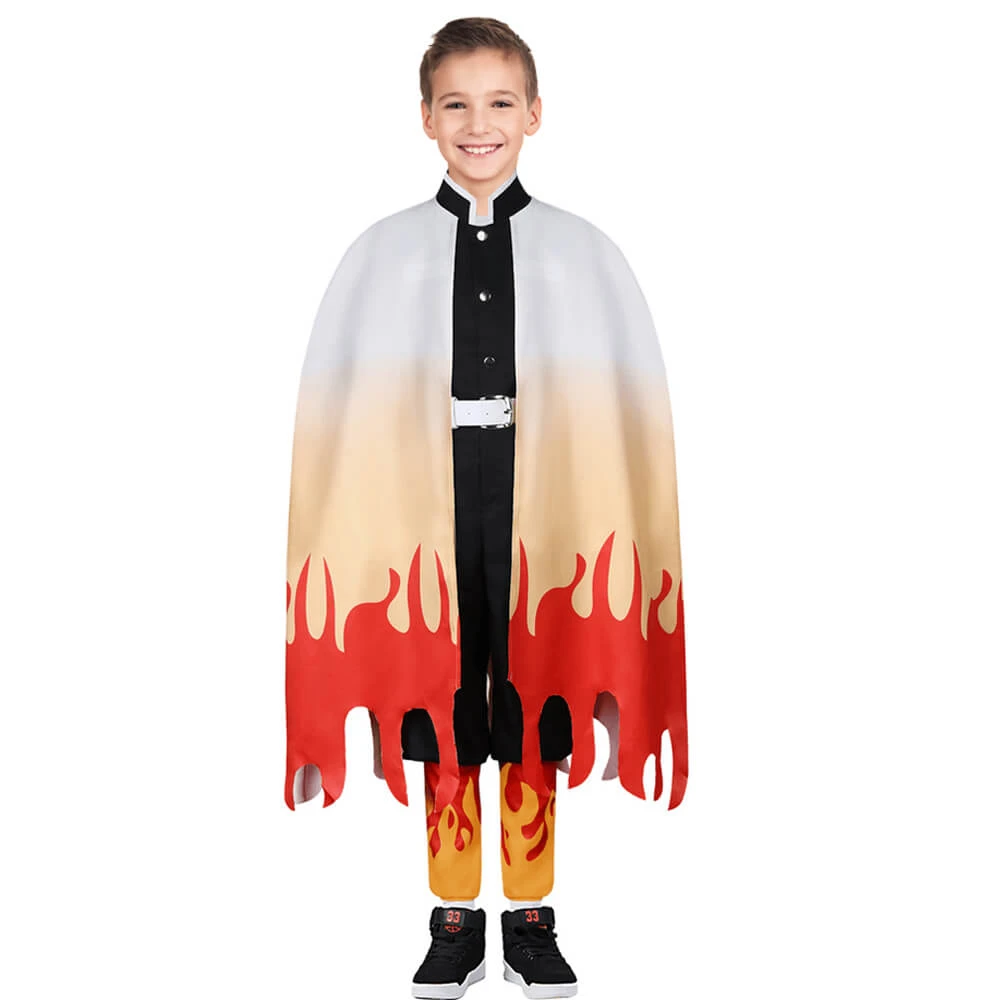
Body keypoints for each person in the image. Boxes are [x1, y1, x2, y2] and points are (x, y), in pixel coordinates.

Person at [284, 17, 687, 1000]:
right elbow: (335, 418)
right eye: (456, 104)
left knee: (535, 686)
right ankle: (456, 916)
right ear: (426, 118)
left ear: (534, 114)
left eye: (500, 102)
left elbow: (627, 417)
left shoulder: (583, 255)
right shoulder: (380, 256)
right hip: (418, 503)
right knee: (446, 690)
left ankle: (533, 917)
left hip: (549, 500)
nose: (479, 124)